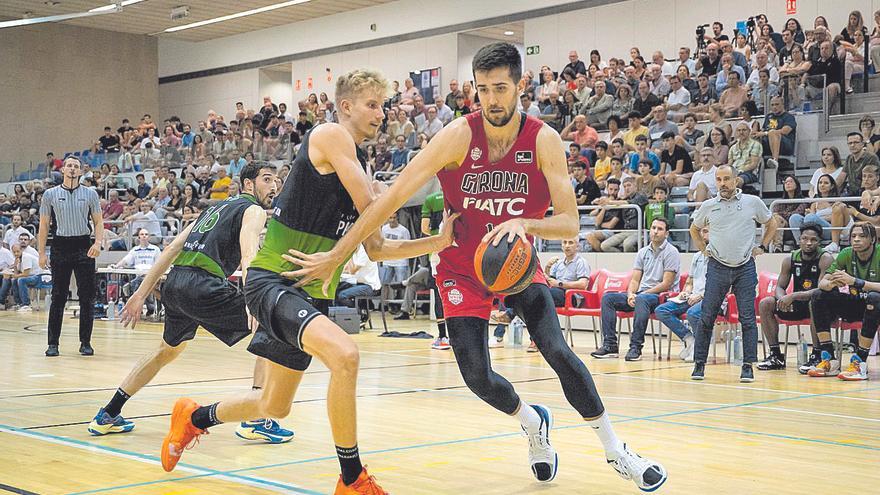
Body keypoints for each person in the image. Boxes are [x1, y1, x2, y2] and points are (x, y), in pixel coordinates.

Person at [284, 44, 667, 491]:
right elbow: (389, 198)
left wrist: (524, 221)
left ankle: (616, 450)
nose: (492, 99)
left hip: (515, 265)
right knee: (477, 377)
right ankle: (531, 422)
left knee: (557, 351)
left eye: (501, 88)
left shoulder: (543, 139)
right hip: (461, 269)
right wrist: (339, 254)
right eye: (483, 90)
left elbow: (569, 222)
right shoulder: (457, 136)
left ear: (520, 86)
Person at [159, 69, 457, 494]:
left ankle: (192, 418)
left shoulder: (360, 162)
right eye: (372, 104)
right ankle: (351, 479)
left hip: (309, 294)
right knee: (346, 356)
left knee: (273, 405)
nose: (380, 114)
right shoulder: (330, 135)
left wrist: (438, 240)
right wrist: (427, 168)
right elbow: (375, 203)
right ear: (346, 106)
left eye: (383, 106)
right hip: (272, 280)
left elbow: (376, 249)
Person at [89, 164, 294, 443]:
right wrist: (253, 297)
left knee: (166, 351)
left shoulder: (211, 210)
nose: (274, 187)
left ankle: (108, 414)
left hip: (177, 284)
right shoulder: (254, 210)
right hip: (204, 286)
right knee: (272, 328)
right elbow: (249, 252)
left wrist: (140, 294)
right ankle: (256, 419)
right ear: (248, 184)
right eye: (267, 180)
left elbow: (172, 249)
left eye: (278, 182)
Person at [689, 165, 777, 382]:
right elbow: (694, 229)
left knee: (747, 318)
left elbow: (771, 222)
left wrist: (763, 246)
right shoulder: (709, 206)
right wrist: (703, 250)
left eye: (727, 179)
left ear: (736, 180)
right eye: (718, 180)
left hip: (745, 267)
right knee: (707, 317)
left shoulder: (752, 202)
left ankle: (747, 366)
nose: (722, 184)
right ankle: (699, 364)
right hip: (717, 266)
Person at [37, 157, 103, 357]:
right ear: (63, 169)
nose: (72, 169)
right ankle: (53, 344)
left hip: (84, 246)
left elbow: (99, 222)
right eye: (69, 166)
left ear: (81, 171)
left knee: (87, 297)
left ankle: (85, 342)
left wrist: (97, 243)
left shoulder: (90, 194)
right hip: (60, 246)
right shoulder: (50, 194)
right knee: (58, 297)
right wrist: (41, 252)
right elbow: (43, 225)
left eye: (76, 166)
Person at [592, 218, 680, 361]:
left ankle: (635, 347)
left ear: (667, 234)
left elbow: (666, 284)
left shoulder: (672, 252)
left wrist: (641, 295)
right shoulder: (643, 252)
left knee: (642, 300)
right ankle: (610, 346)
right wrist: (630, 294)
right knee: (608, 298)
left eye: (660, 229)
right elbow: (635, 280)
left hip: (662, 297)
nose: (655, 232)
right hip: (642, 295)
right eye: (653, 228)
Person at [807, 222, 880, 381]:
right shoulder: (846, 254)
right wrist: (832, 284)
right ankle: (829, 359)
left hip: (876, 306)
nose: (856, 240)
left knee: (875, 297)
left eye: (862, 236)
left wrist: (855, 281)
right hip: (857, 303)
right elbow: (822, 283)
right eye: (853, 236)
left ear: (873, 239)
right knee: (818, 295)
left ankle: (860, 362)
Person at [756, 223, 833, 371]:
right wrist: (782, 299)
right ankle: (776, 355)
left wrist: (792, 296)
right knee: (766, 303)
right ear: (799, 240)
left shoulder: (826, 259)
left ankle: (817, 355)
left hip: (821, 306)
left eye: (813, 240)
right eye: (804, 238)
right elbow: (779, 287)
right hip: (797, 303)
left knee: (815, 302)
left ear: (819, 242)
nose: (808, 243)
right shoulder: (790, 259)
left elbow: (821, 290)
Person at [654, 225, 710, 362]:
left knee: (693, 313)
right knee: (661, 310)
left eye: (707, 231)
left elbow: (724, 286)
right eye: (702, 231)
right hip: (693, 297)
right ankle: (689, 339)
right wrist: (686, 292)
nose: (703, 235)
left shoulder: (722, 256)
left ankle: (699, 348)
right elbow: (690, 281)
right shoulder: (697, 256)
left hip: (711, 298)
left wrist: (701, 295)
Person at [545, 238, 590, 307]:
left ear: (577, 247)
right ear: (561, 246)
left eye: (570, 243)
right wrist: (547, 267)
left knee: (546, 295)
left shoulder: (581, 262)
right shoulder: (558, 263)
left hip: (572, 296)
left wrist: (559, 284)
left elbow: (583, 284)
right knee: (539, 292)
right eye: (565, 242)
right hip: (557, 292)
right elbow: (549, 281)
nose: (567, 246)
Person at [754, 96, 797, 169]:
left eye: (777, 104)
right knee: (753, 136)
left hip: (784, 145)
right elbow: (763, 130)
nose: (774, 107)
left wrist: (767, 133)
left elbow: (785, 131)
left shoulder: (789, 117)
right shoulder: (769, 116)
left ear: (782, 105)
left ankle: (775, 161)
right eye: (772, 105)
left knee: (773, 133)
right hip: (768, 143)